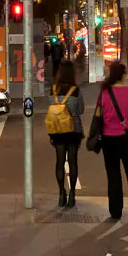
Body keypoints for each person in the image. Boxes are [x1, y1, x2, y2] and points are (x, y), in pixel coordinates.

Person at [96, 61, 128, 220]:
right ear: (123, 75)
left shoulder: (104, 93)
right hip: (127, 138)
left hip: (108, 139)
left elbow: (99, 115)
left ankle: (115, 211)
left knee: (113, 175)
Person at [46, 60, 84, 208]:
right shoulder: (75, 90)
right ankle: (72, 194)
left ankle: (61, 193)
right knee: (73, 161)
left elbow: (51, 107)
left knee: (59, 161)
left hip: (57, 130)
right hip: (73, 130)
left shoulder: (53, 90)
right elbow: (80, 109)